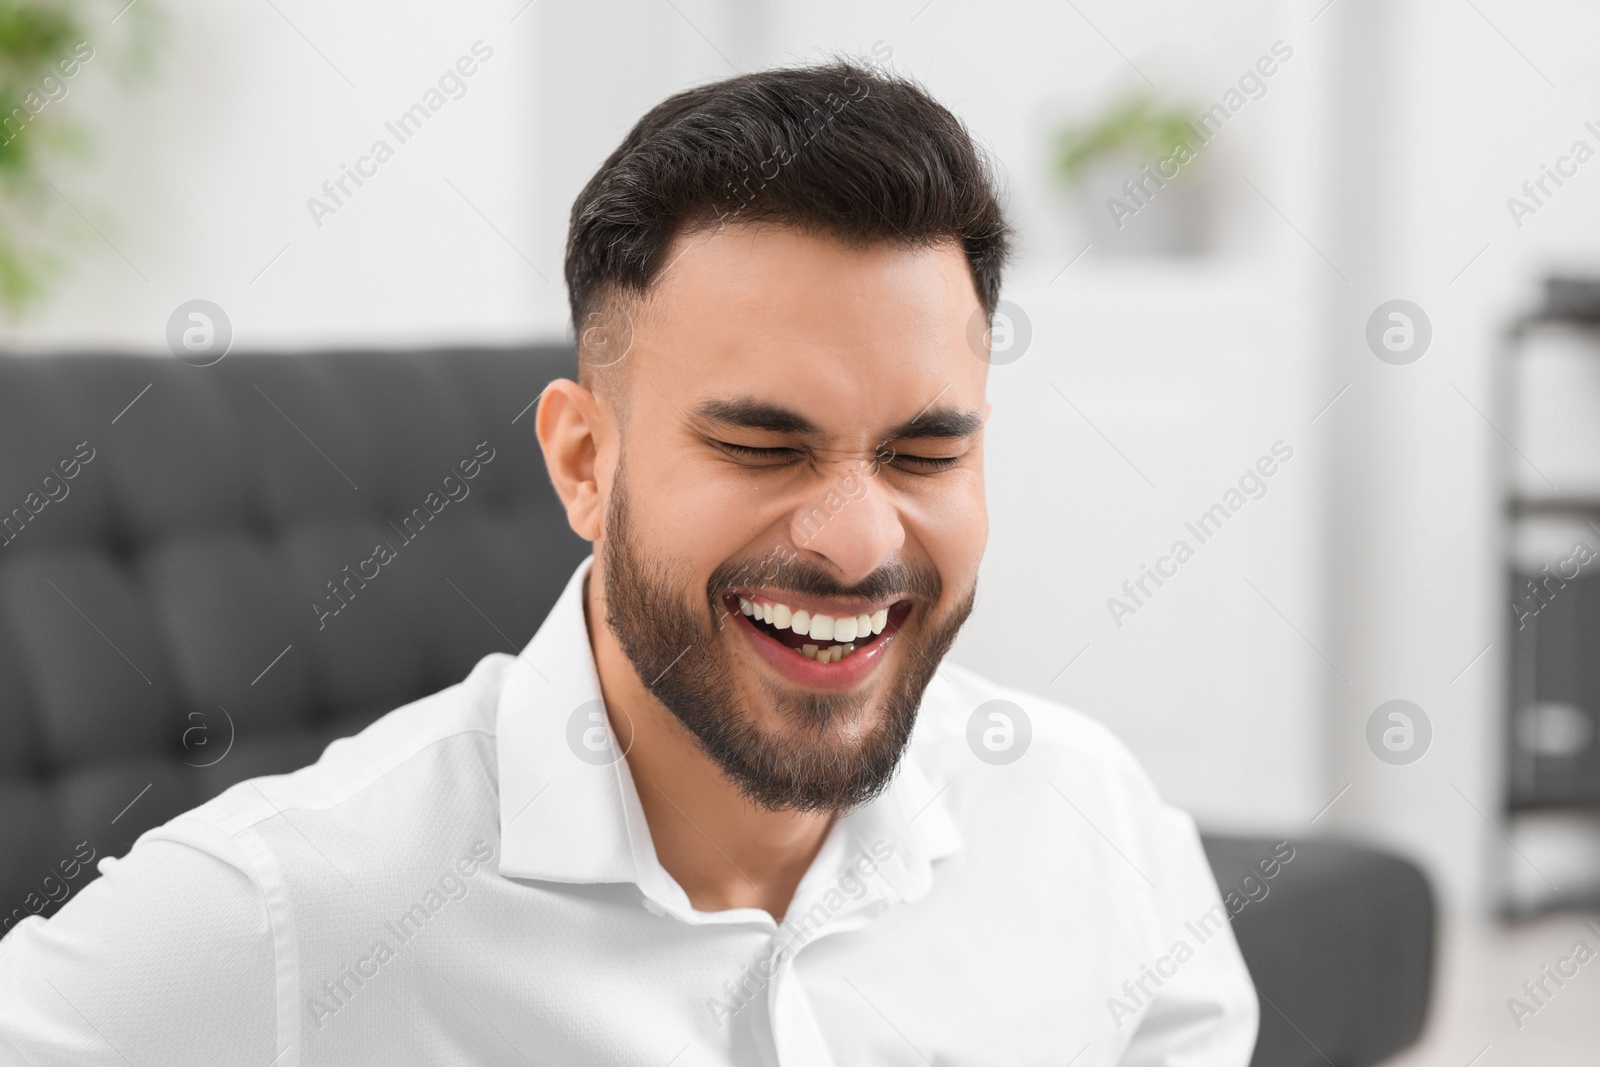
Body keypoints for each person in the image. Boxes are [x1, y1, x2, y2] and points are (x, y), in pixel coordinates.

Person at [0, 61, 1256, 1065]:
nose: (862, 542)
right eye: (764, 444)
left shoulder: (1088, 818)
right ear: (583, 461)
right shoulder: (292, 905)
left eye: (924, 455)